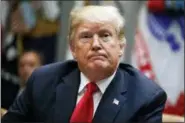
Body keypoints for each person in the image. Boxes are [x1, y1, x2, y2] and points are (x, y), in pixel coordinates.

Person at [2, 5, 167, 123]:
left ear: (121, 46)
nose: (96, 44)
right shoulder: (43, 81)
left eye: (105, 35)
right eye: (86, 36)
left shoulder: (145, 97)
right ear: (73, 48)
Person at [1, 50, 43, 117]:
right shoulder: (8, 93)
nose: (25, 69)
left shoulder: (46, 94)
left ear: (42, 68)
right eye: (22, 65)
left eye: (31, 65)